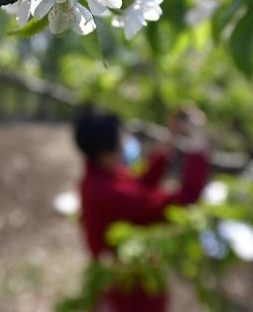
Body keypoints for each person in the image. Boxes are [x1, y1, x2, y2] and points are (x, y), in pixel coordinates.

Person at [74, 107, 209, 312]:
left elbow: (141, 183)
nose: (125, 143)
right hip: (132, 294)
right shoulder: (109, 192)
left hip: (123, 284)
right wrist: (199, 147)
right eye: (121, 139)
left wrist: (170, 136)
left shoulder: (99, 177)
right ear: (105, 151)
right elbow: (180, 201)